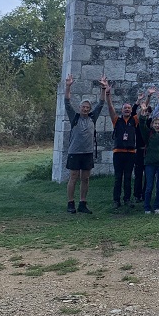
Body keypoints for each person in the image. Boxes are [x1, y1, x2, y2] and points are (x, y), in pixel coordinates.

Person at [63, 73, 108, 214]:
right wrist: (68, 86)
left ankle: (83, 202)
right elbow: (67, 102)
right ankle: (71, 203)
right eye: (84, 107)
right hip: (74, 152)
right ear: (80, 107)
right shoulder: (74, 117)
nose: (86, 109)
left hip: (87, 152)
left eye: (88, 108)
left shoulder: (92, 117)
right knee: (73, 177)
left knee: (86, 178)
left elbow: (101, 103)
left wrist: (103, 89)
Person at [106, 84, 141, 209]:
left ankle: (127, 199)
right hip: (118, 152)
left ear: (131, 111)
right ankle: (116, 200)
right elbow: (110, 107)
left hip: (131, 152)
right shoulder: (117, 120)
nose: (127, 109)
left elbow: (143, 109)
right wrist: (108, 95)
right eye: (125, 108)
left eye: (129, 108)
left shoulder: (134, 120)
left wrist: (146, 98)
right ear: (122, 110)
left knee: (127, 177)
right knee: (118, 177)